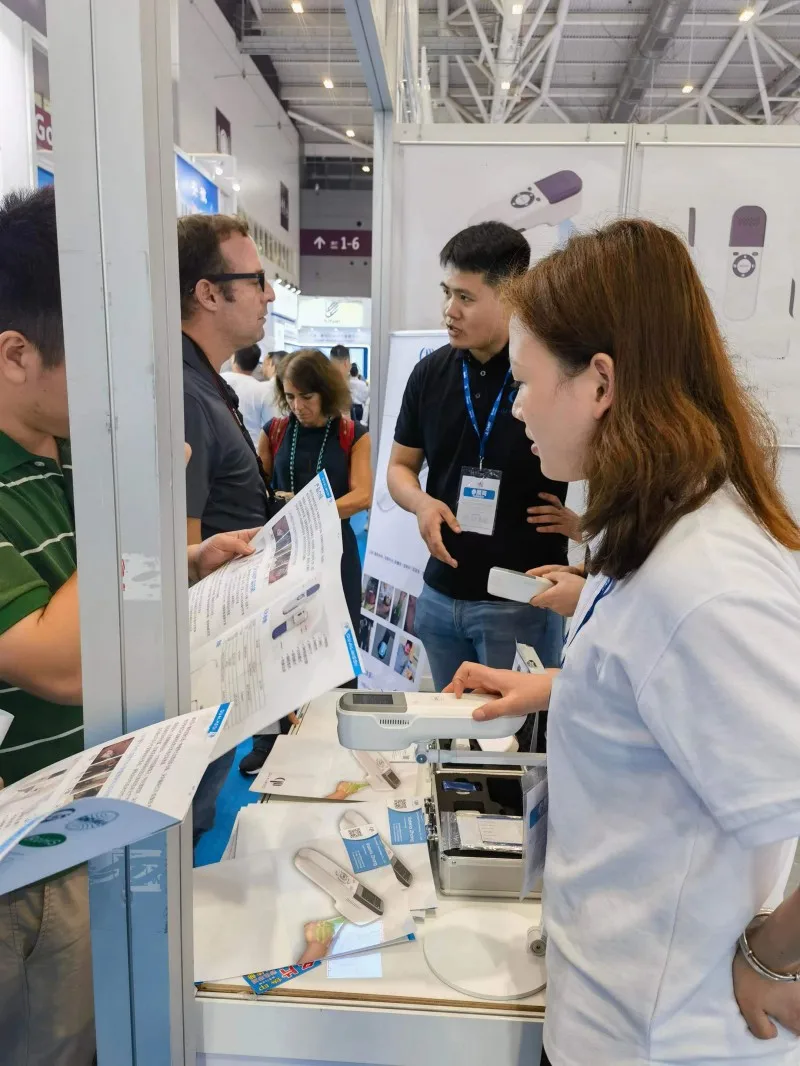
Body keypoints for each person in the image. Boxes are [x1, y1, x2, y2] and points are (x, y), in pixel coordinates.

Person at [446, 218, 800, 1066]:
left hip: (660, 1034)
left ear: (599, 383)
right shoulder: (657, 520)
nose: (518, 406)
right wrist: (558, 689)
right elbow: (663, 687)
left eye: (527, 383)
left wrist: (773, 956)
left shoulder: (704, 582)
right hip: (609, 996)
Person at [0, 187, 261, 1066]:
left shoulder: (69, 447)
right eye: (100, 354)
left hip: (98, 812)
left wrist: (186, 562)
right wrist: (143, 497)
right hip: (26, 855)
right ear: (17, 353)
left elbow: (90, 583)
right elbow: (56, 660)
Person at [387, 222, 570, 691]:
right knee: (450, 726)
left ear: (510, 295)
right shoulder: (430, 374)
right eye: (447, 293)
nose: (449, 310)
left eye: (465, 297)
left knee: (514, 732)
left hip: (520, 600)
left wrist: (586, 526)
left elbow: (612, 463)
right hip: (440, 594)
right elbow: (400, 467)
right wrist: (420, 503)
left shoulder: (549, 371)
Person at [178, 212, 277, 840]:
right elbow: (181, 547)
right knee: (187, 815)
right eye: (257, 281)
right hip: (202, 653)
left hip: (221, 639)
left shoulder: (208, 386)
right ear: (209, 293)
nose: (270, 296)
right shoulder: (188, 395)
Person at [238, 350, 372, 774]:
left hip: (334, 552)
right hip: (283, 553)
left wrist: (310, 508)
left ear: (326, 392)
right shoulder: (275, 431)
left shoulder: (353, 434)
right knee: (275, 642)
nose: (298, 406)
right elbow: (257, 486)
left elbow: (363, 495)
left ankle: (337, 733)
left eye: (307, 397)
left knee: (335, 639)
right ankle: (268, 738)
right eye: (291, 396)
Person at [222, 343, 277, 446]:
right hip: (252, 447)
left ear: (233, 359)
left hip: (222, 445)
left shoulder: (220, 380)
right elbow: (270, 425)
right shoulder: (262, 390)